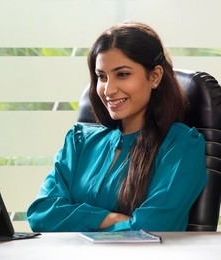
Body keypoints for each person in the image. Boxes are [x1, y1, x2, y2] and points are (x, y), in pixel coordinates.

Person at [26, 21, 208, 232]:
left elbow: (151, 227)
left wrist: (75, 218)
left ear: (155, 76)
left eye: (122, 74)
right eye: (101, 77)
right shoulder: (79, 141)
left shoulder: (181, 146)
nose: (108, 89)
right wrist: (111, 218)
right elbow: (41, 213)